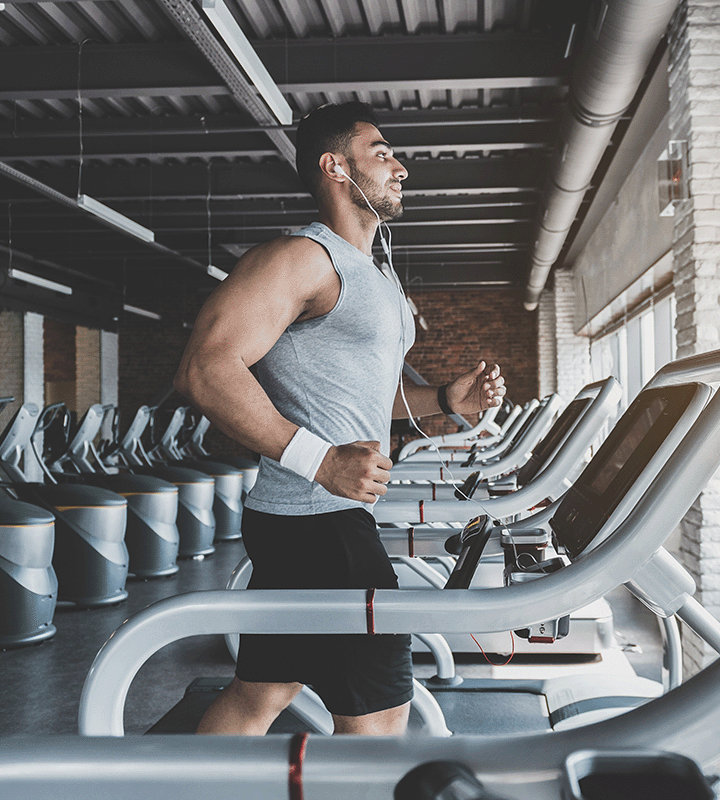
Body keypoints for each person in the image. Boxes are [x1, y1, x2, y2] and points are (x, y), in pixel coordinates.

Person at [174, 101, 506, 737]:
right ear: (335, 167)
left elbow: (362, 410)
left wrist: (444, 404)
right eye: (381, 153)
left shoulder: (375, 276)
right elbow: (205, 370)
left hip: (311, 520)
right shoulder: (302, 258)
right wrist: (320, 462)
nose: (400, 167)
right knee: (380, 723)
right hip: (315, 525)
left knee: (261, 693)